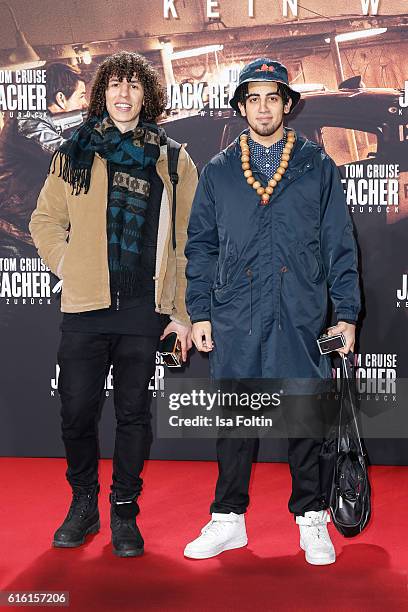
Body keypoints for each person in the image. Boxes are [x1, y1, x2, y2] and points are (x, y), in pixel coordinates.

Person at [184, 58, 360, 565]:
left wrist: (345, 313)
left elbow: (339, 244)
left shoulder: (316, 165)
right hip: (236, 314)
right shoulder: (218, 171)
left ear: (287, 104)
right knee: (237, 421)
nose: (263, 107)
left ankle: (311, 518)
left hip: (301, 311)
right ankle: (228, 520)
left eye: (272, 97)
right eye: (253, 98)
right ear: (241, 107)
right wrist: (200, 312)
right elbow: (200, 247)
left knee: (303, 416)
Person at [29, 51, 197, 557]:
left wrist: (183, 312)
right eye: (114, 86)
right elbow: (44, 221)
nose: (123, 95)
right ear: (103, 94)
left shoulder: (171, 158)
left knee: (134, 414)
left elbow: (188, 239)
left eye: (134, 86)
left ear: (148, 96)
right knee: (76, 411)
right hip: (85, 304)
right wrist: (70, 265)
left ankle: (124, 509)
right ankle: (84, 503)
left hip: (144, 306)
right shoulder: (75, 152)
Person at [0, 63, 88, 249]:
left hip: (31, 221)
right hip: (17, 231)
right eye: (81, 96)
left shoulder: (40, 119)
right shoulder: (27, 122)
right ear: (61, 99)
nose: (84, 103)